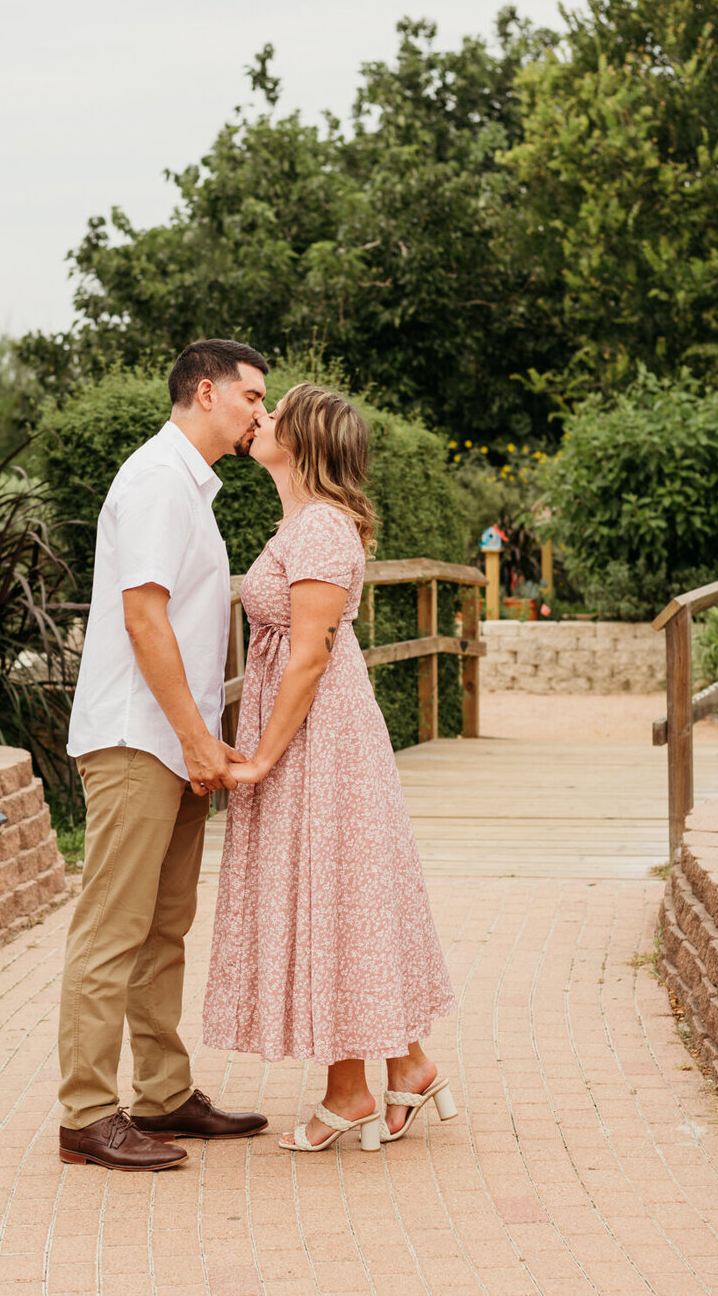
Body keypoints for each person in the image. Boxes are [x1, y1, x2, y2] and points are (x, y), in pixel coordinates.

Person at [203, 383, 457, 1152]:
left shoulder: (318, 527)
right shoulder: (306, 522)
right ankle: (395, 1072)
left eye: (275, 412)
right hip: (318, 732)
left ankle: (353, 1089)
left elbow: (309, 654)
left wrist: (262, 760)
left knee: (330, 892)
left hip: (320, 740)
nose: (261, 417)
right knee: (336, 893)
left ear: (304, 441)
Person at [57, 339, 273, 1171]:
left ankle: (162, 1095)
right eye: (253, 396)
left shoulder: (190, 487)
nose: (262, 411)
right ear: (208, 391)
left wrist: (201, 740)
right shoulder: (155, 480)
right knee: (113, 928)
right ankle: (85, 1114)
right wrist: (194, 737)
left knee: (164, 925)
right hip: (137, 739)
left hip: (175, 739)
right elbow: (144, 620)